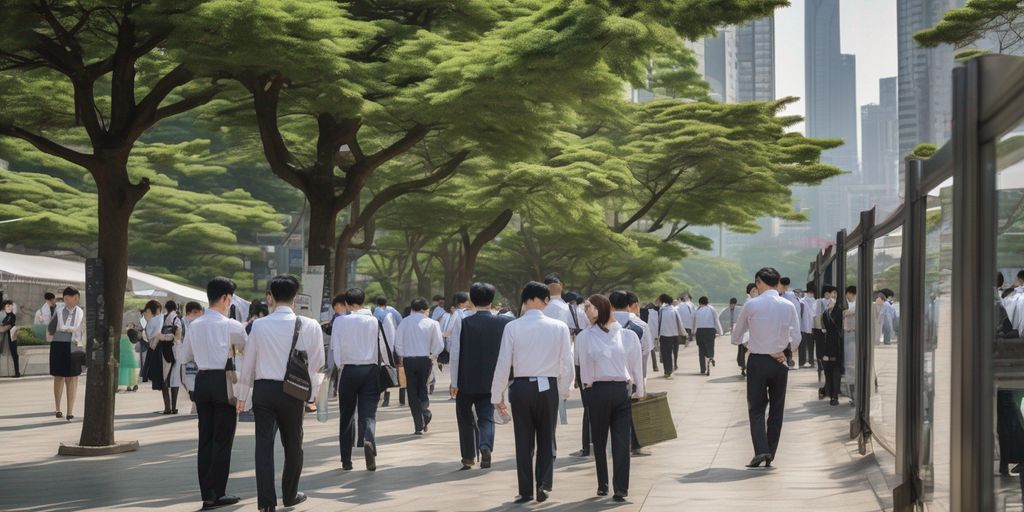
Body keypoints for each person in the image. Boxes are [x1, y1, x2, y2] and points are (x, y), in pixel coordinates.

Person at [237, 275, 325, 512]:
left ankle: (266, 503)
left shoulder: (259, 325)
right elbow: (316, 363)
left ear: (272, 298)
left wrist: (242, 395)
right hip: (293, 391)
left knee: (263, 446)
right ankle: (290, 495)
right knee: (293, 443)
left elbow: (249, 362)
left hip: (264, 390)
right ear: (295, 297)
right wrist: (311, 395)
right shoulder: (310, 325)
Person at [491, 281, 574, 503]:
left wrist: (496, 395)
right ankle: (544, 484)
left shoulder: (512, 327)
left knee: (523, 439)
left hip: (521, 387)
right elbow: (567, 362)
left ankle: (525, 490)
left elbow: (503, 363)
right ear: (544, 299)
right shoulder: (559, 327)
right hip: (548, 387)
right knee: (547, 437)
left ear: (525, 300)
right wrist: (564, 390)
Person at [176, 277, 247, 510]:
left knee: (205, 438)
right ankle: (219, 492)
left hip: (202, 380)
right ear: (226, 298)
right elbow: (247, 349)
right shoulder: (231, 325)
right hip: (223, 381)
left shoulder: (194, 324)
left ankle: (207, 493)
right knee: (223, 439)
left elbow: (184, 357)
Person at [577, 294, 645, 502]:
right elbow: (580, 365)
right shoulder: (584, 336)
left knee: (622, 442)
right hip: (596, 390)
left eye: (588, 308)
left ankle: (621, 487)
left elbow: (636, 366)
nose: (586, 313)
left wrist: (639, 390)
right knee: (598, 440)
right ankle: (602, 483)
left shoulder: (627, 335)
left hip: (620, 390)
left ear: (600, 309)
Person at [731, 268, 801, 468]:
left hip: (758, 362)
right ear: (778, 282)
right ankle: (770, 452)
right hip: (780, 363)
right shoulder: (788, 305)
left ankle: (761, 449)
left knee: (756, 408)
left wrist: (756, 343)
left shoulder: (751, 305)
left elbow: (736, 336)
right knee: (777, 409)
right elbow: (796, 338)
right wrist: (783, 351)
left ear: (759, 282)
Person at [449, 283, 513, 470]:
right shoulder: (504, 323)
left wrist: (454, 381)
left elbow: (455, 353)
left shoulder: (463, 321)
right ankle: (485, 446)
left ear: (472, 300)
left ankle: (468, 457)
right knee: (486, 417)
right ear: (492, 300)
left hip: (466, 379)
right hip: (491, 380)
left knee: (465, 418)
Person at [331, 288, 388, 471]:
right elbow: (382, 347)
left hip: (348, 370)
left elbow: (335, 349)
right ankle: (368, 437)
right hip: (370, 370)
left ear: (346, 303)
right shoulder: (374, 321)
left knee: (346, 415)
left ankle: (346, 460)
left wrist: (341, 367)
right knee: (368, 413)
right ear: (363, 302)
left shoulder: (340, 321)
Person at [395, 298, 444, 435]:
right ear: (425, 309)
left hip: (409, 360)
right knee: (423, 386)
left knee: (411, 390)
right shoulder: (433, 323)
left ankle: (418, 423)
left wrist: (402, 355)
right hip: (425, 359)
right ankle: (425, 412)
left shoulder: (404, 322)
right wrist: (432, 355)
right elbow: (439, 344)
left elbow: (397, 343)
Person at [48, 287, 84, 420]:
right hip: (58, 345)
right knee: (59, 376)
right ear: (64, 299)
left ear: (77, 298)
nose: (70, 301)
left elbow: (82, 331)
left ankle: (70, 411)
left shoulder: (81, 313)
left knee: (72, 378)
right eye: (67, 299)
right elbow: (50, 328)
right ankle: (58, 408)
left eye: (74, 298)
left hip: (74, 346)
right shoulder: (58, 310)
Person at [155, 301, 184, 414]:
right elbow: (179, 335)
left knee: (165, 380)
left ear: (166, 308)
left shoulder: (162, 318)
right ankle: (174, 407)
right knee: (174, 380)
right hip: (175, 350)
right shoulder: (177, 319)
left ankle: (167, 407)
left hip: (164, 350)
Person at [648, 294, 686, 379]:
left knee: (666, 354)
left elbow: (659, 322)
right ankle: (674, 365)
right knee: (674, 352)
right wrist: (683, 333)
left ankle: (667, 371)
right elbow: (679, 322)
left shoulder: (662, 310)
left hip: (665, 335)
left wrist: (657, 334)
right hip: (674, 335)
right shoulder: (674, 310)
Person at [818, 285, 844, 406]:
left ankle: (835, 396)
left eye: (835, 294)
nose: (832, 297)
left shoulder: (840, 310)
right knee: (827, 369)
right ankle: (828, 392)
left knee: (836, 370)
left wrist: (831, 311)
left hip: (837, 345)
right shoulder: (825, 311)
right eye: (830, 295)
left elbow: (837, 327)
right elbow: (823, 326)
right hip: (827, 344)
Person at [692, 296, 723, 376]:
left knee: (701, 350)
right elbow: (716, 320)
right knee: (710, 347)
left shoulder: (697, 310)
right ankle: (709, 358)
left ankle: (703, 368)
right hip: (710, 331)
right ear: (707, 302)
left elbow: (694, 322)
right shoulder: (712, 309)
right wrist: (720, 331)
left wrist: (693, 331)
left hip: (700, 331)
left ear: (700, 303)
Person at [734, 284, 759, 377]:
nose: (755, 292)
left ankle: (745, 367)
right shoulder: (748, 303)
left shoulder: (755, 302)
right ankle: (745, 367)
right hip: (748, 332)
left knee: (746, 351)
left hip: (752, 331)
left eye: (756, 290)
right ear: (749, 292)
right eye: (753, 291)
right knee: (746, 350)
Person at [141, 300, 165, 388]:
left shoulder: (156, 320)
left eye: (147, 311)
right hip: (155, 348)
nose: (145, 314)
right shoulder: (158, 319)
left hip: (155, 348)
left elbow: (152, 336)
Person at [778, 278, 799, 368]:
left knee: (787, 343)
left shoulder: (790, 296)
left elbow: (795, 310)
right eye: (784, 287)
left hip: (786, 325)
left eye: (786, 287)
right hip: (777, 324)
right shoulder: (775, 295)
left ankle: (788, 358)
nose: (785, 289)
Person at [843, 286, 857, 400]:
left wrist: (843, 312)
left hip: (852, 335)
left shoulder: (856, 304)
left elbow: (847, 313)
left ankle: (852, 391)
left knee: (851, 362)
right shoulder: (853, 303)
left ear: (850, 293)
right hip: (850, 334)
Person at [799, 283, 818, 369]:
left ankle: (802, 362)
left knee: (803, 345)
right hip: (813, 326)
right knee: (811, 345)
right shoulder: (817, 301)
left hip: (803, 326)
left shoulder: (801, 301)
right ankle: (811, 361)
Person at [1, 300, 20, 377]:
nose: (8, 307)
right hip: (6, 338)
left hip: (11, 337)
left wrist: (3, 328)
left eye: (9, 306)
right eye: (6, 306)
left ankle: (17, 372)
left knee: (14, 354)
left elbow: (7, 327)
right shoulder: (6, 316)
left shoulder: (12, 316)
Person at [676, 293, 696, 358]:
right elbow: (693, 315)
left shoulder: (679, 306)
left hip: (683, 325)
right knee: (685, 339)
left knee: (682, 340)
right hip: (687, 324)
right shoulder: (690, 306)